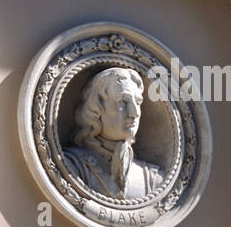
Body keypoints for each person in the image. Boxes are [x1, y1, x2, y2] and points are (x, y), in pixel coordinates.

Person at [63, 67, 164, 200]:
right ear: (96, 108)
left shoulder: (153, 179)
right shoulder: (72, 165)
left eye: (138, 102)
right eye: (123, 101)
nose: (134, 113)